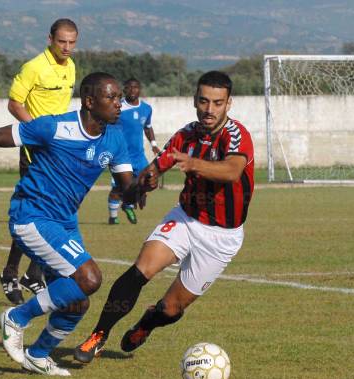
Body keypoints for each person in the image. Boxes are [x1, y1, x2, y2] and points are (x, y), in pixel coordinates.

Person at [0, 72, 154, 376]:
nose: (119, 104)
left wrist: (143, 186)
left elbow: (126, 187)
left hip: (64, 222)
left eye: (120, 97)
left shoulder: (115, 137)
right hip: (31, 216)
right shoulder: (54, 126)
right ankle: (16, 317)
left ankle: (38, 356)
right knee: (90, 279)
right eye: (112, 97)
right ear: (90, 102)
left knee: (77, 303)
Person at [73, 71, 254, 363]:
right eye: (204, 101)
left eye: (217, 103)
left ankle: (147, 323)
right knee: (139, 271)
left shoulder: (236, 135)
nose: (209, 109)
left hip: (223, 236)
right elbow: (156, 167)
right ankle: (98, 335)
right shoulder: (185, 135)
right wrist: (148, 180)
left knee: (171, 309)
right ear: (195, 100)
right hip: (185, 219)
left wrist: (193, 163)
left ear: (228, 104)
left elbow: (232, 170)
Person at [1, 18, 78, 305]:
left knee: (54, 213)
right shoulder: (34, 67)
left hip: (60, 150)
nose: (67, 48)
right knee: (31, 215)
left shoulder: (70, 67)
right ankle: (10, 271)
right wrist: (36, 131)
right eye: (62, 42)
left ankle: (33, 273)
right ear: (50, 39)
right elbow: (14, 103)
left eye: (72, 42)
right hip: (35, 149)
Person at [108, 78, 160, 225]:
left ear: (139, 90)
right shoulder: (118, 107)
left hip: (138, 156)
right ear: (124, 90)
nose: (132, 90)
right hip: (120, 156)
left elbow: (148, 127)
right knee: (118, 189)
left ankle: (128, 204)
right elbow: (107, 125)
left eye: (135, 87)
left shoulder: (146, 108)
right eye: (129, 88)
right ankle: (113, 217)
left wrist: (154, 144)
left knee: (147, 181)